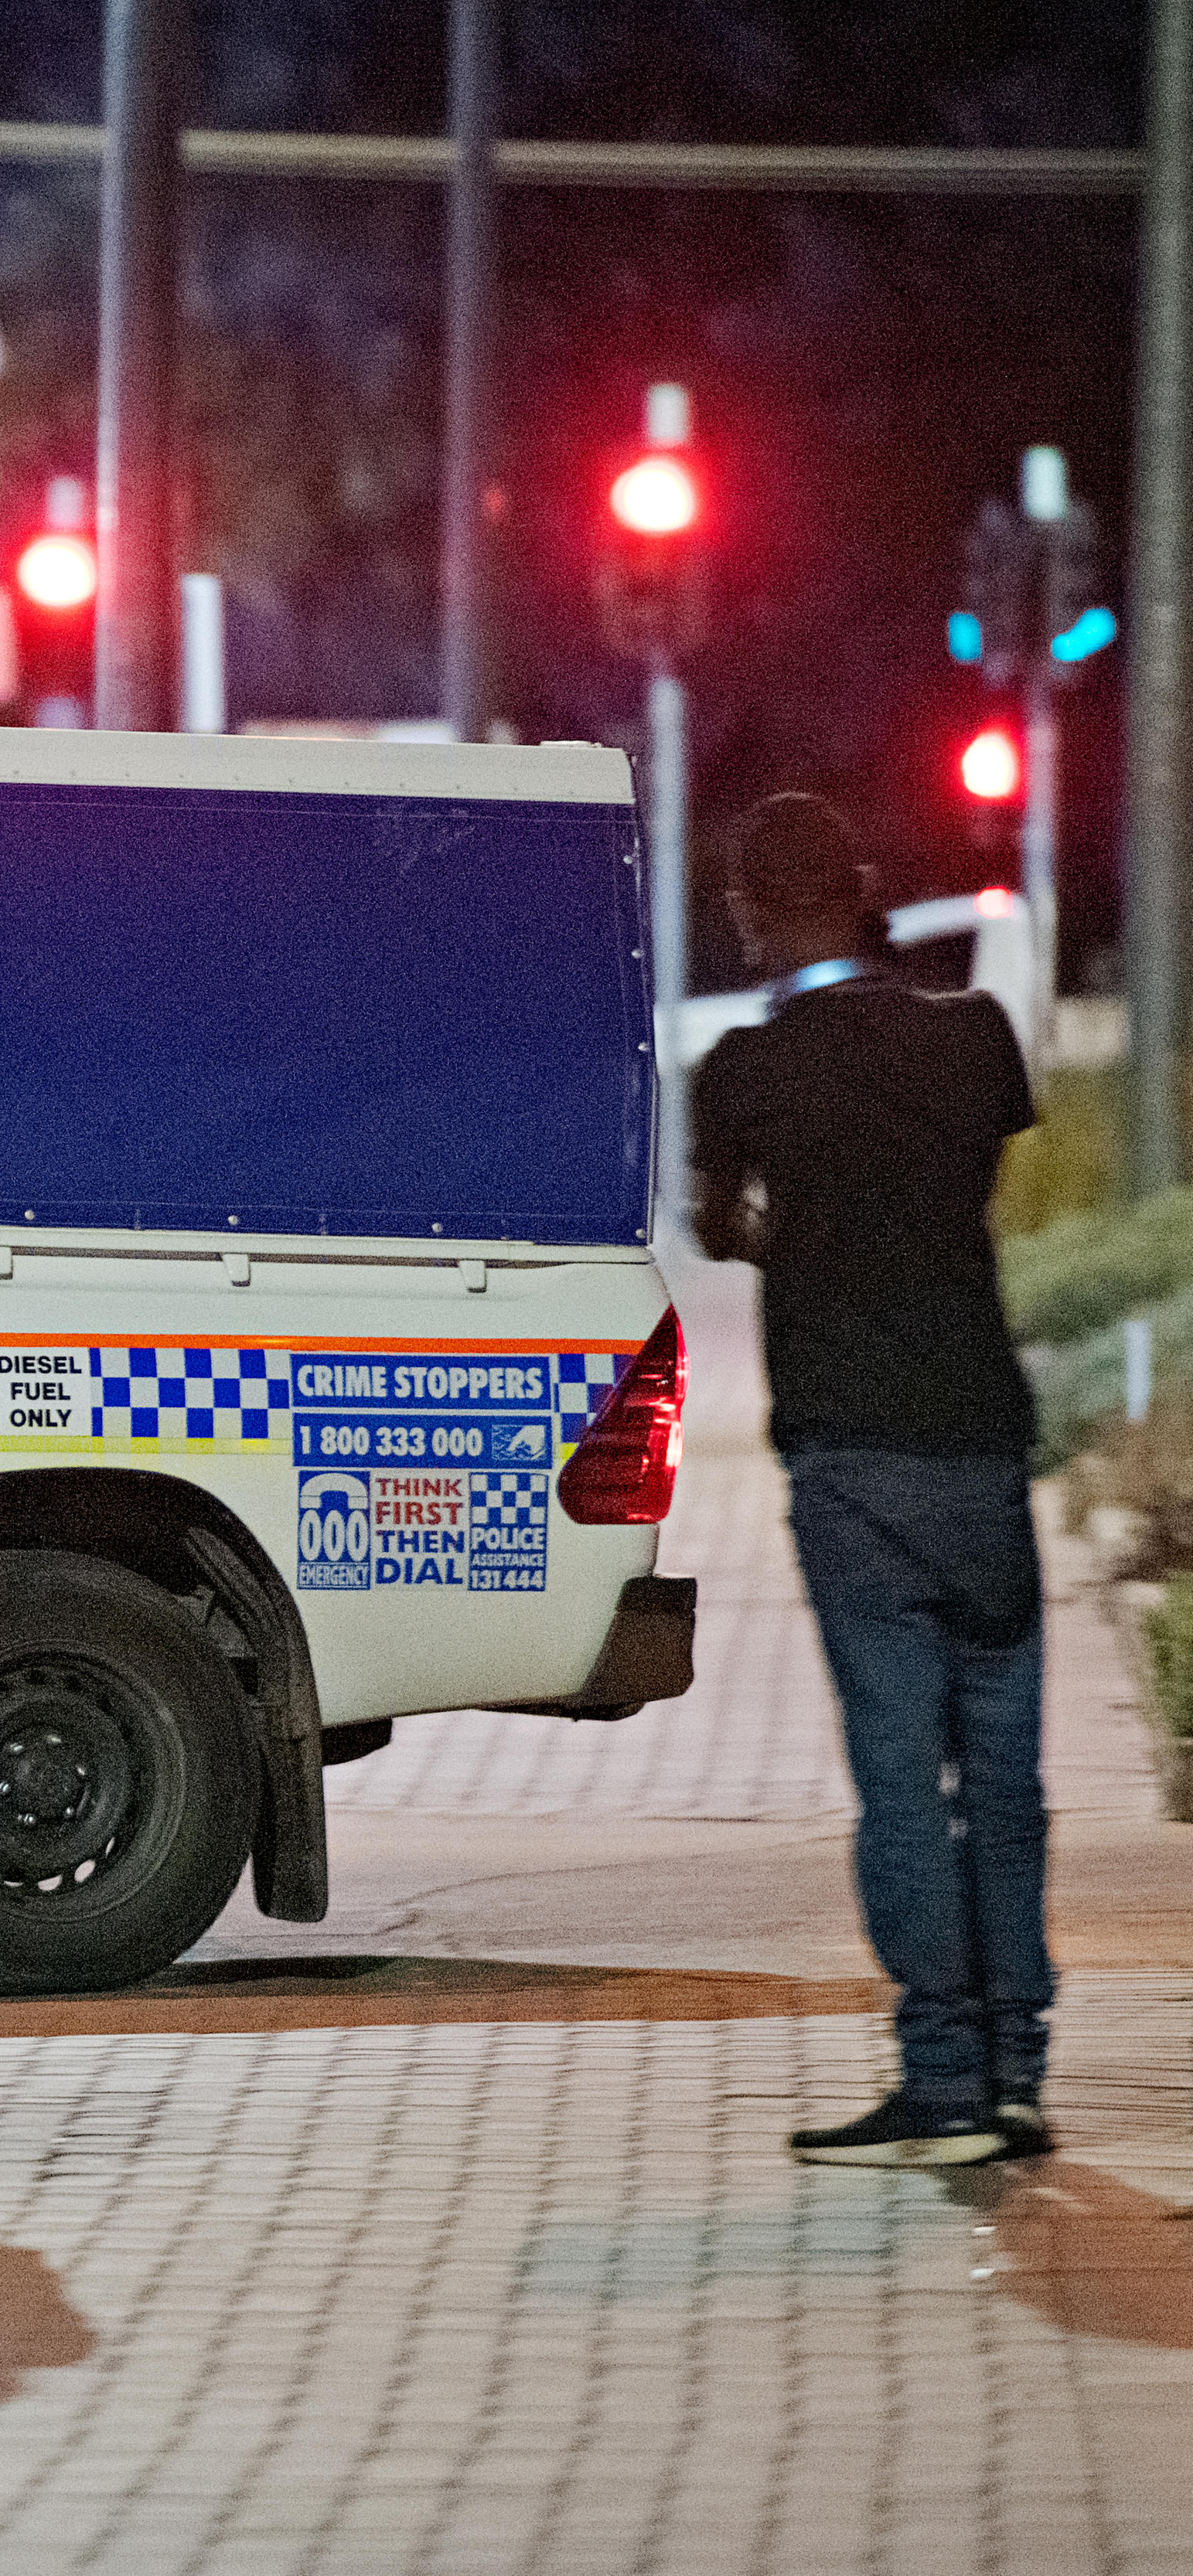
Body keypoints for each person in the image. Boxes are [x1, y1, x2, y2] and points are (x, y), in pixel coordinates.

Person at [693, 793, 1053, 2169]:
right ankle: (1018, 2069)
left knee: (903, 1781)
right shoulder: (975, 1037)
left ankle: (944, 2074)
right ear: (863, 884)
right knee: (1004, 1779)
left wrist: (786, 1224)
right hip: (980, 1440)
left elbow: (724, 1228)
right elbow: (967, 1183)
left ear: (748, 913)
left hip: (850, 1452)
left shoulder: (745, 1070)